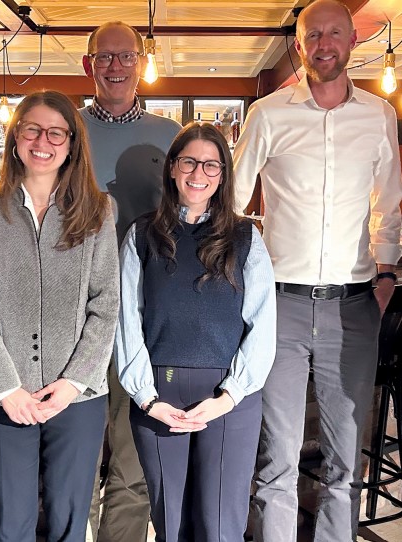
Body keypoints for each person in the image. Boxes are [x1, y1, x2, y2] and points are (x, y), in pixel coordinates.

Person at [233, 1, 402, 540]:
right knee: (277, 461)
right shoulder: (268, 114)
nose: (324, 44)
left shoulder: (379, 115)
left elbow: (389, 202)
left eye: (335, 33)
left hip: (353, 306)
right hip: (280, 306)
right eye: (314, 35)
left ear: (353, 40)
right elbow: (231, 201)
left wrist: (385, 273)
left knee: (345, 464)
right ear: (299, 45)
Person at [0, 90, 119, 541]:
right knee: (11, 523)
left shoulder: (99, 210)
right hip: (5, 396)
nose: (42, 141)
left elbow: (106, 304)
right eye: (32, 129)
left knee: (70, 519)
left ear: (71, 144)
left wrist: (72, 383)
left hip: (77, 397)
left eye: (55, 133)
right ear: (15, 138)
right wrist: (7, 388)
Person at [116, 122, 276, 541]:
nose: (198, 173)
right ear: (172, 167)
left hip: (229, 397)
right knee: (171, 524)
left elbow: (262, 323)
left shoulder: (245, 237)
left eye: (210, 164)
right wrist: (146, 398)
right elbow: (126, 319)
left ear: (223, 174)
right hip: (158, 394)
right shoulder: (142, 235)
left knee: (220, 526)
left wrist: (230, 396)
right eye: (189, 162)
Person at [81, 20, 182, 541]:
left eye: (126, 56)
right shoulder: (66, 129)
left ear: (141, 63)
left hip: (142, 316)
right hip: (72, 316)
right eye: (105, 56)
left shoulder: (171, 136)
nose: (116, 66)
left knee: (133, 457)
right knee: (73, 458)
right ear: (89, 65)